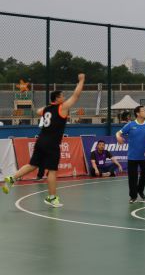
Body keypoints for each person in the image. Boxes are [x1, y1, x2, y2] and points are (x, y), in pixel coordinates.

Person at [2, 74, 85, 207]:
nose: (64, 98)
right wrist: (81, 80)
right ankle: (51, 198)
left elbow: (38, 111)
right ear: (57, 99)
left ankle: (12, 178)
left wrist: (50, 107)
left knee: (32, 165)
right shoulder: (62, 108)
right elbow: (76, 95)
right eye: (62, 96)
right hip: (52, 143)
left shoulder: (46, 109)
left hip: (41, 140)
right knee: (52, 170)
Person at [116, 105, 145, 203]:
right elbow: (118, 133)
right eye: (144, 111)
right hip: (132, 157)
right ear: (138, 113)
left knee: (144, 176)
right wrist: (118, 137)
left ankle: (140, 190)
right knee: (132, 178)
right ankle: (133, 196)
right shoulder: (130, 125)